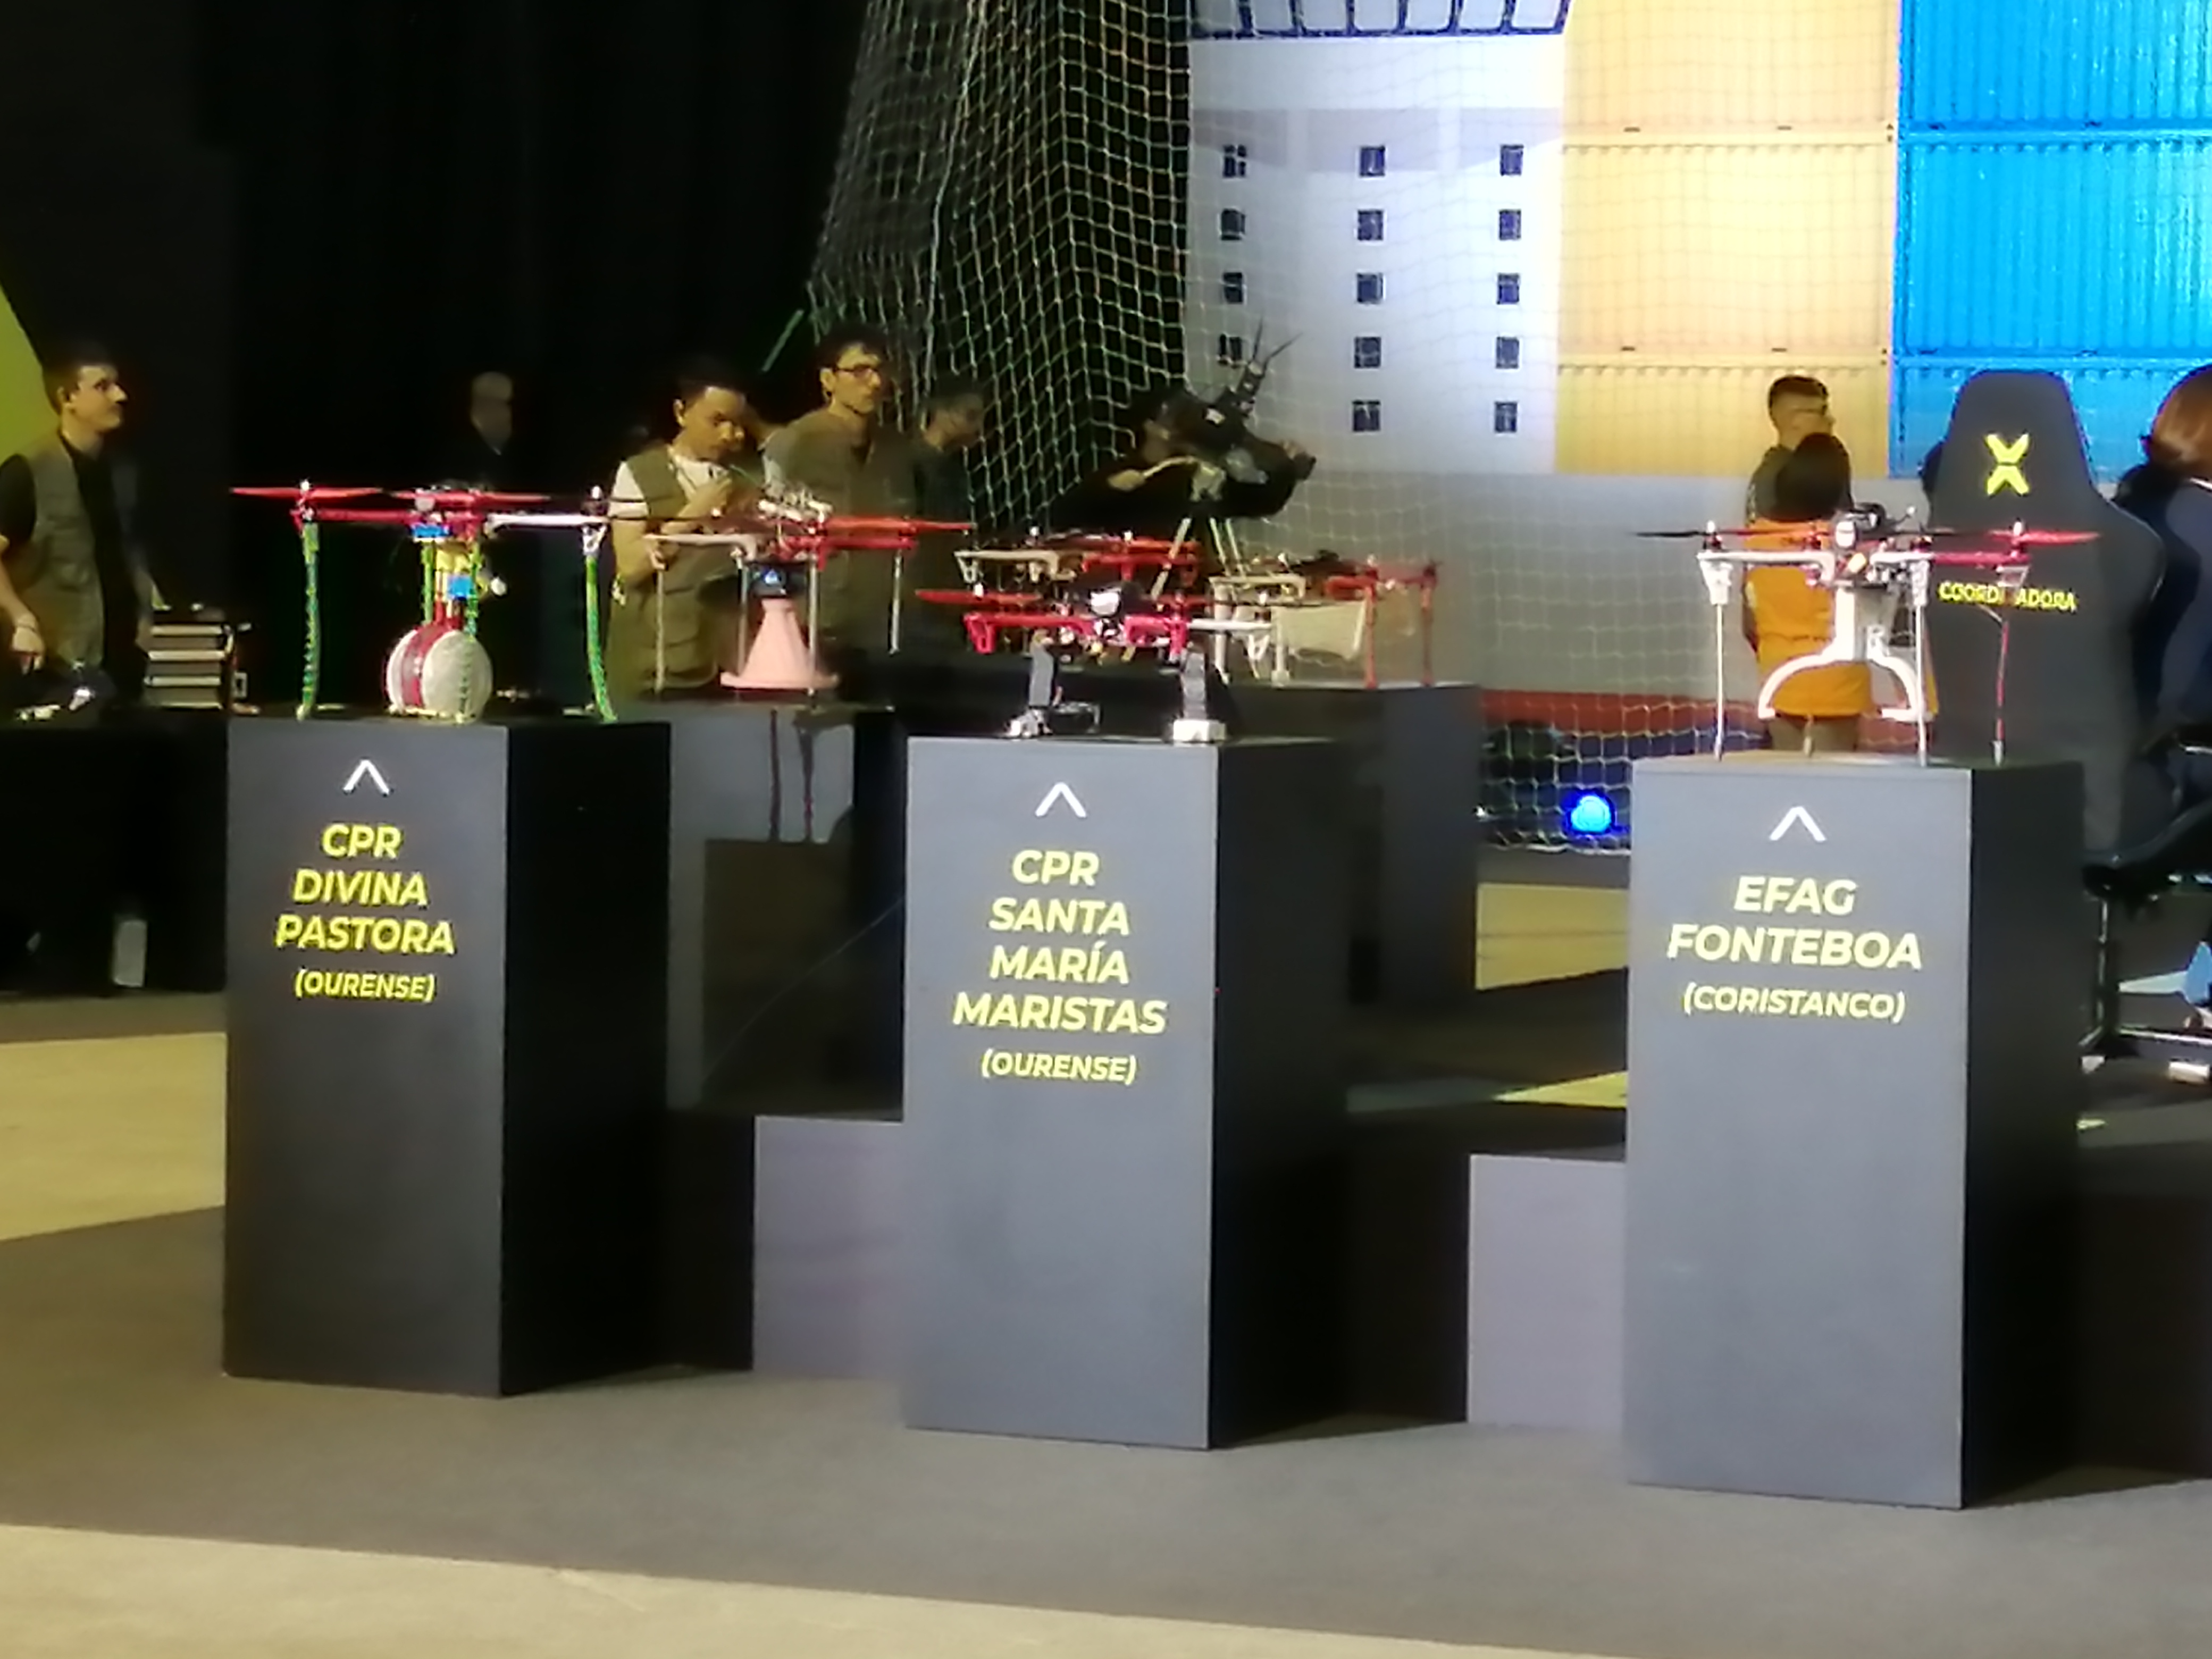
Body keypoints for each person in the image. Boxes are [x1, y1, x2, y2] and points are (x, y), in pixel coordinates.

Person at [0, 343, 160, 705]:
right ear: (67, 397)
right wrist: (21, 618)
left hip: (124, 665)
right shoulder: (27, 472)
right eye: (103, 387)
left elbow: (128, 556)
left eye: (116, 385)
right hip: (56, 670)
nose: (119, 396)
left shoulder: (122, 473)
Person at [604, 359, 766, 701]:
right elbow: (630, 566)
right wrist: (692, 516)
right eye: (717, 421)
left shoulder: (747, 480)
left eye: (738, 424)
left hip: (730, 665)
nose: (730, 435)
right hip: (658, 669)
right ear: (681, 413)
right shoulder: (639, 472)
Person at [763, 324, 916, 659]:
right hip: (815, 615)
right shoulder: (797, 442)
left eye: (880, 370)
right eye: (859, 371)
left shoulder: (896, 448)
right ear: (828, 379)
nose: (874, 382)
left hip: (883, 618)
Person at [1049, 383, 1312, 566]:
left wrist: (1283, 469)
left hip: (1191, 589)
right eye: (1176, 411)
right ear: (1151, 426)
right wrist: (1107, 489)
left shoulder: (1194, 475)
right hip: (1133, 588)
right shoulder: (1126, 476)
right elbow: (1062, 515)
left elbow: (1261, 501)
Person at [1741, 433, 1874, 755]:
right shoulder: (1847, 542)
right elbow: (1871, 615)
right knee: (1835, 778)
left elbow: (1749, 623)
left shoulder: (1756, 540)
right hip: (1839, 678)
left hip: (1779, 675)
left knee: (1787, 775)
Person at [1746, 374, 1849, 523]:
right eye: (1822, 411)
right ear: (1796, 419)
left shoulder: (1819, 463)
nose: (1831, 420)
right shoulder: (1777, 476)